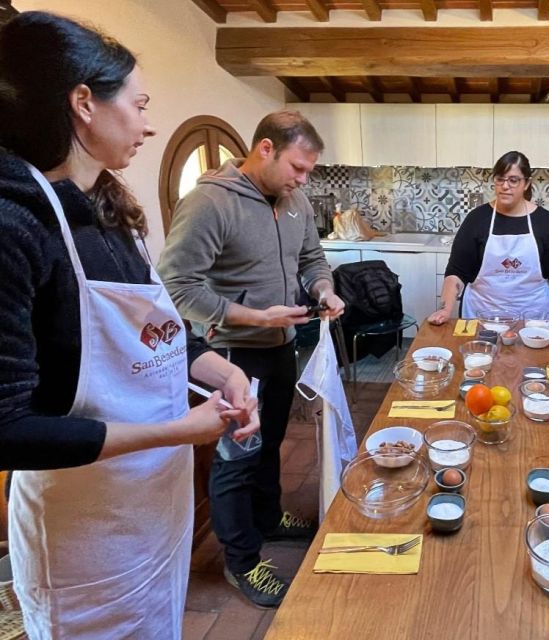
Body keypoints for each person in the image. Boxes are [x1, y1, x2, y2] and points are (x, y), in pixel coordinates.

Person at [0, 12, 259, 638]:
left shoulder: (111, 213)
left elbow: (160, 336)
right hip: (83, 534)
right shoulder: (15, 225)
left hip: (150, 510)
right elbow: (7, 430)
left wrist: (219, 368)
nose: (148, 124)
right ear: (83, 103)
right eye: (139, 104)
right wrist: (176, 429)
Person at [158, 110, 345, 608]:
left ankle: (268, 518)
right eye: (298, 168)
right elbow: (176, 288)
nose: (303, 180)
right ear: (265, 149)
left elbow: (311, 260)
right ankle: (241, 562)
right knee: (235, 461)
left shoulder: (295, 201)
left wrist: (322, 288)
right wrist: (257, 318)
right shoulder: (209, 203)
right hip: (231, 356)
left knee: (271, 443)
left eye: (308, 171)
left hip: (280, 349)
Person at [427, 150, 549, 329]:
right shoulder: (477, 219)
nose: (505, 186)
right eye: (500, 179)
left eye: (513, 180)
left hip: (532, 318)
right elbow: (456, 272)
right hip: (482, 314)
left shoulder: (545, 221)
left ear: (527, 183)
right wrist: (445, 310)